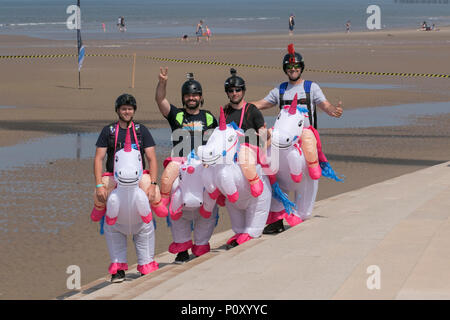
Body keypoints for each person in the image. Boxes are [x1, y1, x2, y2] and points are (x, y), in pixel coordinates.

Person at [251, 44, 343, 234]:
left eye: (296, 67)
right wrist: (243, 106)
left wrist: (334, 110)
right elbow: (262, 104)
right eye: (290, 68)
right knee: (271, 168)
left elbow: (325, 105)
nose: (293, 70)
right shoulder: (281, 90)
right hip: (284, 141)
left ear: (301, 68)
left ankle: (301, 212)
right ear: (286, 70)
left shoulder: (312, 87)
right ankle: (276, 220)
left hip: (305, 140)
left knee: (308, 176)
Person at [91, 93, 160, 282]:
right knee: (102, 194)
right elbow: (99, 158)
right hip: (115, 179)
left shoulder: (141, 130)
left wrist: (153, 184)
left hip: (138, 180)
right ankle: (118, 267)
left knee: (152, 196)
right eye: (123, 109)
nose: (127, 111)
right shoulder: (109, 131)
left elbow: (152, 158)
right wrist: (98, 185)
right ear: (117, 110)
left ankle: (146, 262)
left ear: (134, 111)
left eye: (129, 109)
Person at [155, 67, 219, 263]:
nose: (192, 98)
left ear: (201, 97)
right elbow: (160, 100)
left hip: (203, 168)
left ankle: (201, 244)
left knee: (209, 204)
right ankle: (182, 247)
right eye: (188, 95)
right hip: (180, 168)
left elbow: (217, 142)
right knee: (176, 203)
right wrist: (163, 82)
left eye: (195, 95)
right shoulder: (177, 115)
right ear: (184, 98)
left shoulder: (209, 117)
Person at [222, 68, 267, 199]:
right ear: (227, 93)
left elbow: (263, 135)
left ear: (243, 91)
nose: (234, 93)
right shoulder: (224, 113)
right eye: (231, 90)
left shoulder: (252, 110)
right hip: (231, 158)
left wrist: (264, 135)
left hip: (251, 157)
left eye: (238, 90)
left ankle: (255, 183)